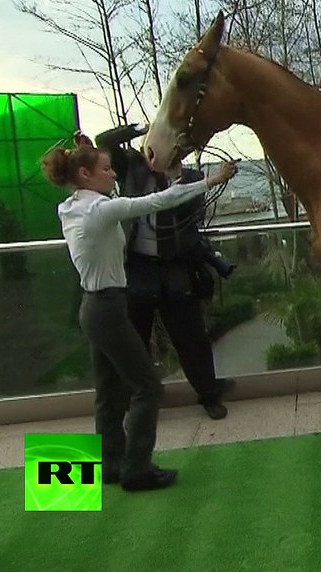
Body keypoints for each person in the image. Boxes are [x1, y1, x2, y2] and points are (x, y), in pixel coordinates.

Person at [41, 133, 236, 493]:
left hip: (93, 307)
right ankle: (137, 469)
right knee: (148, 387)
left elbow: (109, 198)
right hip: (109, 308)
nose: (114, 174)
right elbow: (160, 199)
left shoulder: (72, 206)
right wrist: (212, 180)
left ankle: (112, 463)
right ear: (85, 175)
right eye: (105, 169)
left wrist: (84, 154)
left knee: (108, 389)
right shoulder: (99, 211)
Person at [94, 123, 236, 420]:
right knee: (135, 335)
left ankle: (208, 394)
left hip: (175, 263)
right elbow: (104, 140)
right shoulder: (132, 164)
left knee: (191, 335)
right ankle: (136, 397)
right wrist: (147, 127)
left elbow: (191, 217)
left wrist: (175, 181)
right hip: (139, 265)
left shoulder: (193, 178)